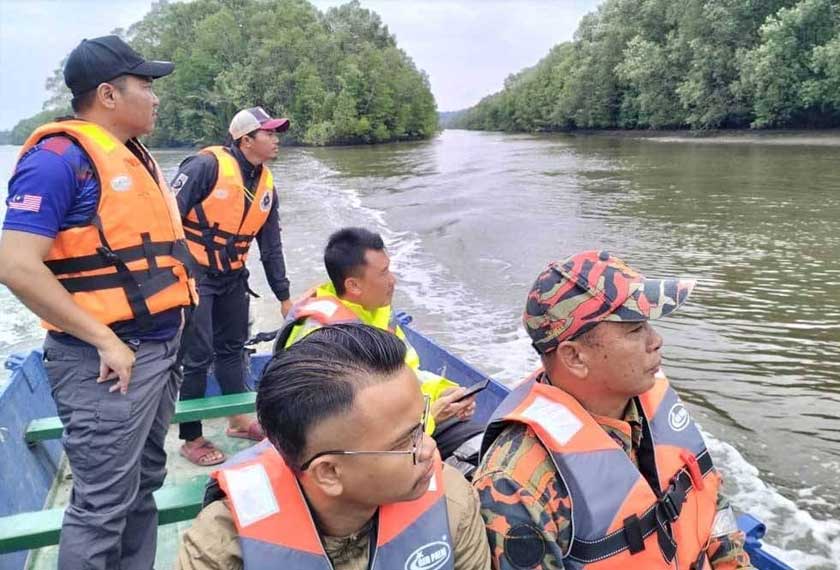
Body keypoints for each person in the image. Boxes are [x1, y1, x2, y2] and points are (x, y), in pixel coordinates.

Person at [0, 36, 195, 570]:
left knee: (143, 484)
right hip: (106, 364)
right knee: (101, 505)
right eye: (147, 86)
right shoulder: (57, 160)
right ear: (109, 94)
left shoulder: (135, 155)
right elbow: (14, 265)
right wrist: (105, 338)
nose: (156, 98)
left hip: (158, 351)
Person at [474, 250, 754, 570]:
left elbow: (711, 502)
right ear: (576, 358)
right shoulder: (516, 483)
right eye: (635, 330)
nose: (656, 340)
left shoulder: (651, 399)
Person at [176, 323, 491, 570]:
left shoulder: (451, 502)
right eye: (405, 442)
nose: (429, 449)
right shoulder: (222, 547)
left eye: (421, 427)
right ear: (328, 472)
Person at [276, 227, 483, 465]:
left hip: (410, 425)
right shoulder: (323, 338)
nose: (393, 280)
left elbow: (408, 372)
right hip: (358, 453)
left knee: (484, 444)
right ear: (353, 286)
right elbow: (346, 430)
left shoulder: (377, 312)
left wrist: (446, 393)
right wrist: (429, 418)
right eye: (384, 273)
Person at [173, 107, 293, 466]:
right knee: (197, 356)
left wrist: (284, 296)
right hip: (195, 277)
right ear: (245, 140)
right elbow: (165, 220)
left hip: (232, 278)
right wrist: (174, 276)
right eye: (268, 134)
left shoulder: (266, 184)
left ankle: (239, 421)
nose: (276, 140)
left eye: (276, 133)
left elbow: (270, 247)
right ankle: (191, 437)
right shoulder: (204, 167)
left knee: (233, 349)